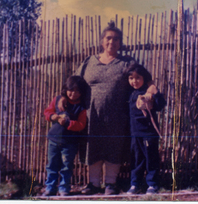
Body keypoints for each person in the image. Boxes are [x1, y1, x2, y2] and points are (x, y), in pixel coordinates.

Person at [59, 22, 157, 195]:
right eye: (108, 38)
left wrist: (150, 91)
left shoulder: (127, 63)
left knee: (114, 147)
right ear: (102, 41)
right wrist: (61, 97)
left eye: (116, 39)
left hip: (117, 115)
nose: (112, 42)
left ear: (120, 43)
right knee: (92, 147)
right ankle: (93, 184)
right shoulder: (89, 62)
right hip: (91, 114)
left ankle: (110, 184)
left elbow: (146, 78)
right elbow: (73, 82)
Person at [43, 76, 88, 196]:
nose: (73, 93)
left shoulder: (81, 107)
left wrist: (68, 123)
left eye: (77, 91)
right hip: (54, 139)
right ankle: (50, 187)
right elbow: (48, 111)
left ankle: (64, 187)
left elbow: (81, 124)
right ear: (65, 89)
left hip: (70, 143)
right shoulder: (58, 100)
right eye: (71, 90)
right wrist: (53, 117)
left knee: (66, 166)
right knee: (52, 164)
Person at [126, 64, 166, 195]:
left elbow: (161, 105)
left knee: (151, 158)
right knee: (137, 158)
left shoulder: (149, 91)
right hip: (135, 133)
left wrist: (156, 93)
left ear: (145, 78)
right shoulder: (130, 92)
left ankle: (152, 184)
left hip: (148, 133)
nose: (134, 81)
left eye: (138, 77)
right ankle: (135, 184)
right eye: (131, 78)